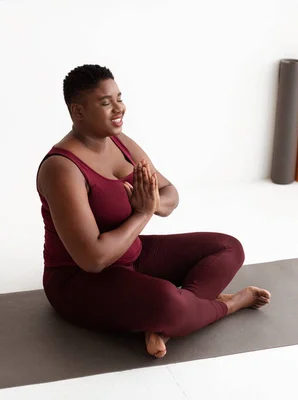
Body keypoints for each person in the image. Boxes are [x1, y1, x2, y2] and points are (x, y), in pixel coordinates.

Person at [36, 64, 271, 359]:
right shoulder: (62, 168)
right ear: (78, 112)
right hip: (79, 284)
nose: (118, 108)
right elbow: (92, 260)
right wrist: (143, 213)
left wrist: (152, 206)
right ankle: (227, 305)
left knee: (228, 247)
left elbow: (169, 195)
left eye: (119, 98)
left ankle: (170, 322)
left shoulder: (121, 143)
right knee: (166, 301)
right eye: (105, 102)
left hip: (132, 256)